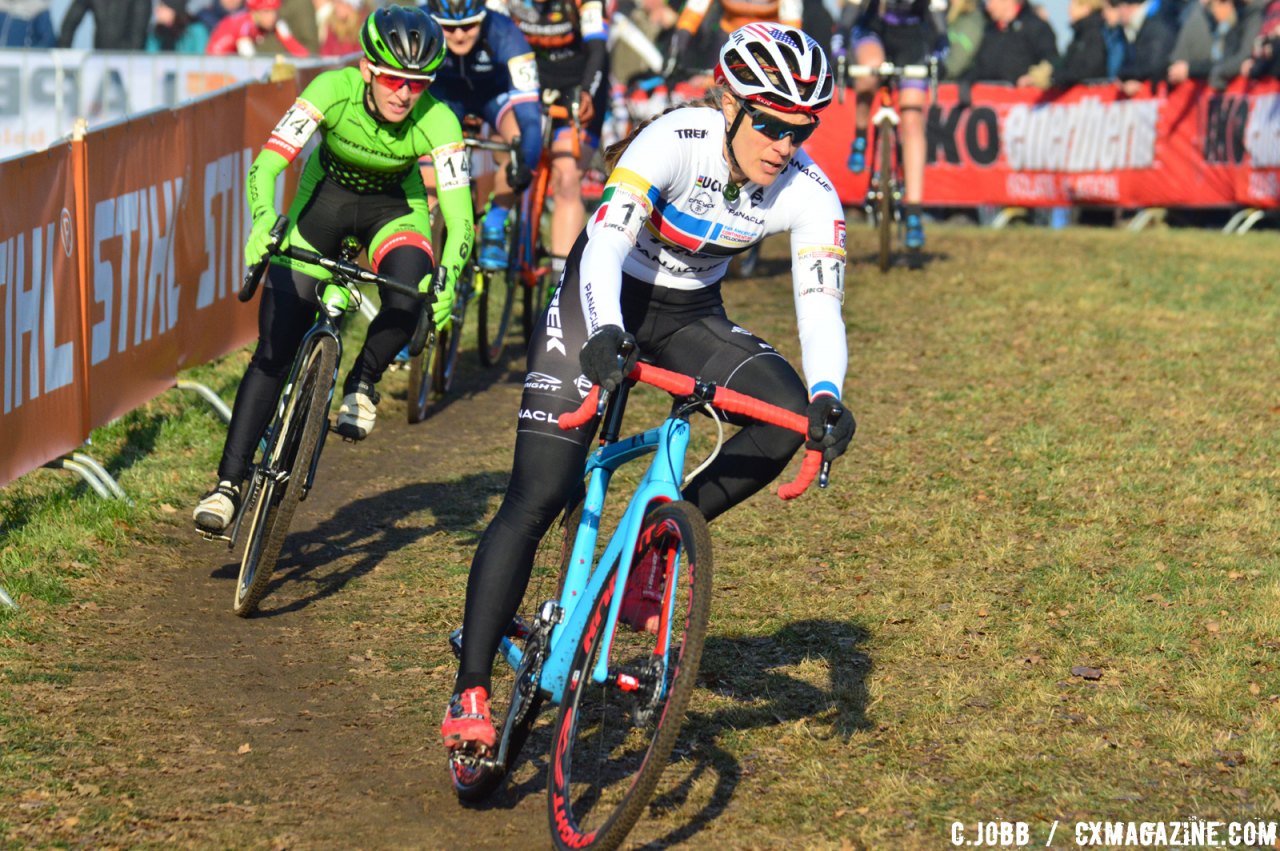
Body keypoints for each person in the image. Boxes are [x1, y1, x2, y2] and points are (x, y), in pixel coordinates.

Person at [439, 24, 856, 751]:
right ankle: (469, 687)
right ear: (726, 104)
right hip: (600, 299)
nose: (785, 144)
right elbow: (603, 247)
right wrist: (602, 333)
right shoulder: (673, 139)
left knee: (787, 415)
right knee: (540, 492)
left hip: (690, 316)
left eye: (802, 127)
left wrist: (827, 395)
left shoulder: (810, 190)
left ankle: (652, 546)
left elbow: (820, 304)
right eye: (769, 123)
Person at [192, 7, 474, 533]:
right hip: (321, 206)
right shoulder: (331, 88)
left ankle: (362, 380)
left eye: (418, 83)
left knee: (411, 290)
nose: (404, 94)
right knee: (273, 353)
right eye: (393, 78)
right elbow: (267, 165)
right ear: (368, 68)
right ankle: (228, 485)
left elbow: (460, 222)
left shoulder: (438, 119)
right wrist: (261, 223)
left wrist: (449, 277)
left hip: (394, 210)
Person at [419, 0, 543, 271]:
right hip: (445, 96)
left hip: (493, 97)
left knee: (521, 141)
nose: (460, 35)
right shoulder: (420, 23)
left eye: (469, 26)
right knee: (427, 173)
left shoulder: (505, 32)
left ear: (484, 17)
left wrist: (526, 164)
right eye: (450, 29)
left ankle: (495, 221)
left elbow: (530, 117)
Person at [496, 0, 609, 283]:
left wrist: (586, 93)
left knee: (567, 177)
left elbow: (598, 51)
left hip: (577, 83)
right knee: (509, 154)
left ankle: (562, 280)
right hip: (527, 80)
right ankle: (500, 226)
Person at [834, 0, 950, 254]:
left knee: (912, 116)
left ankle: (914, 214)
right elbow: (850, 14)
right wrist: (840, 40)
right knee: (868, 73)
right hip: (873, 30)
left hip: (913, 36)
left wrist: (942, 47)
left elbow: (940, 25)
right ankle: (861, 135)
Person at [960, 0, 1059, 83]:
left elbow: (1051, 61)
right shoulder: (989, 30)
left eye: (992, 1)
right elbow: (979, 66)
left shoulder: (1036, 27)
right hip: (989, 100)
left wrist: (1034, 78)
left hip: (1024, 102)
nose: (989, 6)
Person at [206, 0, 310, 56]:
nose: (271, 17)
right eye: (266, 12)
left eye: (274, 11)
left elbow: (300, 52)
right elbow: (250, 60)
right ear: (254, 12)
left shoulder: (276, 22)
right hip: (217, 64)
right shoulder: (244, 25)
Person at [57, 0, 151, 48]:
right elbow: (69, 24)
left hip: (128, 62)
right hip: (102, 58)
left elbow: (138, 32)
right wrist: (64, 58)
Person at [146, 0, 211, 52]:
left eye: (162, 6)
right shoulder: (156, 33)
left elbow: (202, 61)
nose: (156, 10)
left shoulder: (196, 31)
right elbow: (150, 59)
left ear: (173, 10)